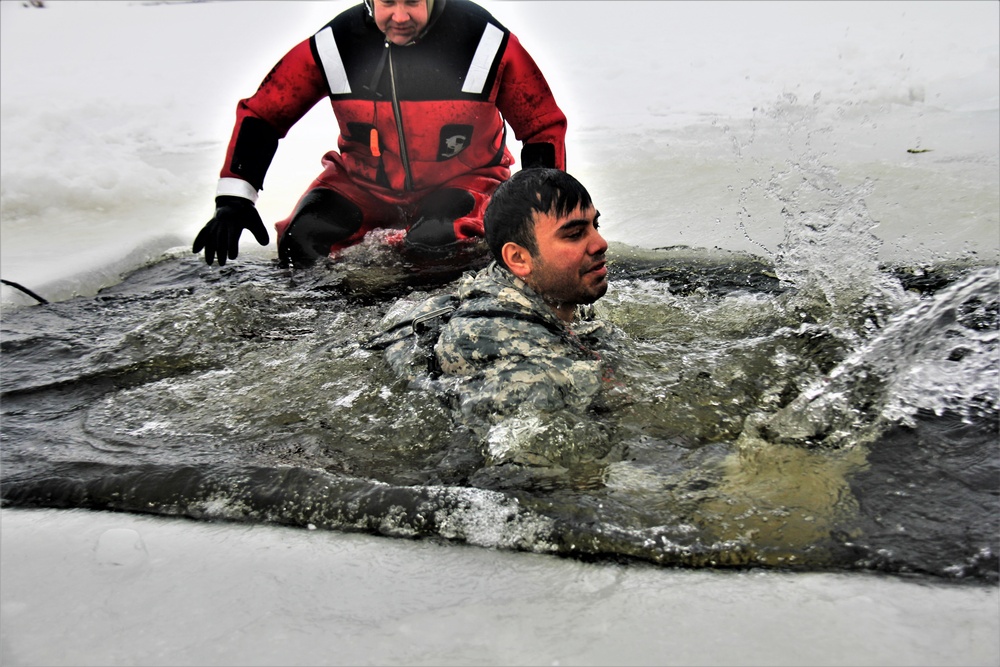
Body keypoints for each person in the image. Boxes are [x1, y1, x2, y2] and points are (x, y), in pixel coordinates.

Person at [192, 0, 567, 268]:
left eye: (412, 2)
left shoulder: (486, 41)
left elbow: (541, 127)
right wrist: (235, 199)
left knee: (436, 239)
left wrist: (542, 215)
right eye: (388, 2)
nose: (399, 16)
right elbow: (264, 113)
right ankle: (324, 341)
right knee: (300, 239)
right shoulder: (336, 44)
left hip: (466, 179)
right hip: (363, 183)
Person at [373, 168, 619, 420]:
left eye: (595, 225)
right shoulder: (526, 374)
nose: (600, 243)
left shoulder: (534, 292)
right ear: (518, 258)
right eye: (575, 234)